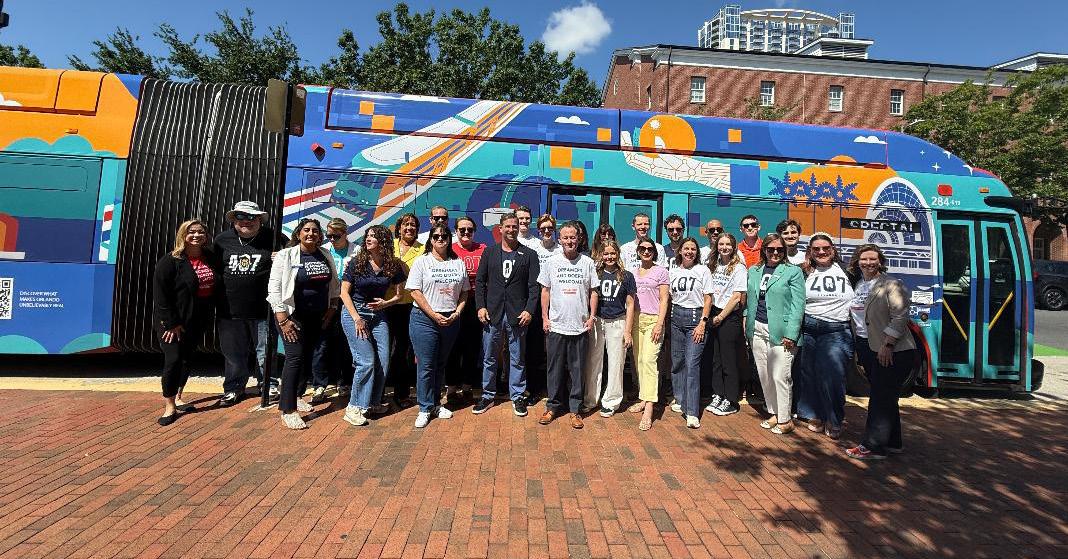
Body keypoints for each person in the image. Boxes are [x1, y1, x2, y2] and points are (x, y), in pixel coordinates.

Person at [845, 244, 918, 460]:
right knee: (885, 395)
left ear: (880, 262)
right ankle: (893, 442)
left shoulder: (891, 284)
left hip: (890, 349)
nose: (868, 263)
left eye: (872, 259)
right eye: (864, 259)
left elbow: (900, 316)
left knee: (879, 398)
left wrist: (888, 345)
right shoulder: (860, 284)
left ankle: (873, 446)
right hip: (867, 346)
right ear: (857, 262)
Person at [267, 218, 340, 430]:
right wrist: (283, 319)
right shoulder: (286, 255)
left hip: (317, 316)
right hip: (292, 317)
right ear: (298, 233)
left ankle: (297, 396)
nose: (311, 234)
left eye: (315, 231)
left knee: (307, 357)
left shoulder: (324, 254)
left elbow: (333, 283)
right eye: (306, 230)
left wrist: (332, 307)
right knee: (294, 358)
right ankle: (287, 409)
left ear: (320, 235)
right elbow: (274, 288)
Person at [213, 201, 285, 407]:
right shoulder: (222, 240)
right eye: (241, 217)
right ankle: (234, 388)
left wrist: (282, 257)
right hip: (229, 310)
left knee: (265, 352)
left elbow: (294, 253)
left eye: (252, 217)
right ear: (233, 219)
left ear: (260, 219)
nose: (246, 221)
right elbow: (213, 270)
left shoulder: (274, 238)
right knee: (233, 354)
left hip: (263, 310)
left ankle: (268, 385)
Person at [473, 213, 540, 416]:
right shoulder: (489, 252)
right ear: (500, 228)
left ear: (518, 228)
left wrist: (529, 310)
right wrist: (480, 306)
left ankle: (517, 396)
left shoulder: (529, 254)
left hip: (517, 314)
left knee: (517, 357)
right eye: (507, 226)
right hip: (492, 313)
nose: (511, 230)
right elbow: (480, 282)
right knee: (489, 357)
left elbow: (534, 287)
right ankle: (487, 395)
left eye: (514, 226)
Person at [338, 225, 406, 427]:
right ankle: (354, 407)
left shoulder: (392, 265)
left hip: (378, 315)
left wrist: (386, 303)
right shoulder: (357, 262)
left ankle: (372, 402)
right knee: (366, 361)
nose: (368, 239)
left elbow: (399, 295)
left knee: (383, 360)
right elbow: (343, 293)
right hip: (354, 312)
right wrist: (357, 318)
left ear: (383, 241)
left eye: (373, 236)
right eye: (367, 236)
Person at [152, 219, 218, 426]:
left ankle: (179, 397)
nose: (196, 235)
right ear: (183, 235)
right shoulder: (170, 261)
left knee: (187, 359)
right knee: (173, 360)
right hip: (173, 322)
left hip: (197, 319)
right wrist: (171, 323)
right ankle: (169, 406)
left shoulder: (210, 258)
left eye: (201, 232)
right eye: (192, 232)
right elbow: (161, 295)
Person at [406, 225, 470, 428]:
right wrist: (433, 315)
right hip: (425, 319)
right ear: (431, 240)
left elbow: (465, 291)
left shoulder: (457, 262)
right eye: (436, 236)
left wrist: (457, 313)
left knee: (440, 363)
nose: (440, 239)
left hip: (450, 319)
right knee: (426, 365)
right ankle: (424, 408)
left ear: (449, 239)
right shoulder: (422, 261)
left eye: (444, 236)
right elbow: (414, 291)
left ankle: (435, 404)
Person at [538, 221, 598, 429]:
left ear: (579, 239)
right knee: (554, 369)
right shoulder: (552, 262)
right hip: (556, 325)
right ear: (560, 239)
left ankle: (574, 409)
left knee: (577, 370)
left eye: (573, 237)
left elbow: (593, 291)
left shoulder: (587, 262)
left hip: (579, 327)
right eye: (565, 237)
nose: (569, 241)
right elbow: (545, 291)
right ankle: (552, 406)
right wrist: (545, 318)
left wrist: (591, 317)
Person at [745, 233, 804, 435]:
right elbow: (750, 299)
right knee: (765, 375)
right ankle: (774, 413)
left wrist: (792, 333)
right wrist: (746, 319)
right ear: (764, 250)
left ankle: (785, 419)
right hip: (757, 328)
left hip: (782, 331)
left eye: (780, 249)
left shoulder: (793, 272)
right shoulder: (754, 271)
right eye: (771, 249)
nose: (775, 253)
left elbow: (798, 305)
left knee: (780, 375)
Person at [797, 233, 854, 439]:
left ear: (833, 249)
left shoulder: (848, 270)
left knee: (833, 375)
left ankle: (834, 418)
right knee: (810, 374)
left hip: (837, 330)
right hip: (809, 328)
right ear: (810, 252)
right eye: (816, 249)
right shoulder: (804, 271)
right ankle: (815, 414)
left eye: (825, 248)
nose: (821, 252)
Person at [582, 240, 635, 417]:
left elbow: (630, 304)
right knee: (593, 362)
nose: (609, 257)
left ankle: (611, 401)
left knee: (616, 363)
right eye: (606, 254)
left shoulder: (626, 276)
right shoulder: (596, 273)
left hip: (617, 322)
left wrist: (628, 331)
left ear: (618, 254)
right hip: (598, 321)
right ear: (600, 255)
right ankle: (590, 399)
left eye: (613, 253)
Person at [668, 237, 714, 429]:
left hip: (696, 318)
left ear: (697, 252)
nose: (689, 252)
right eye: (686, 248)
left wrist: (703, 322)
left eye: (693, 249)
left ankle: (692, 411)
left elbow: (708, 298)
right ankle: (680, 399)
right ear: (680, 251)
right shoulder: (673, 271)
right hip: (676, 317)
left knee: (692, 364)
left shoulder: (703, 270)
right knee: (677, 361)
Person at [311, 218, 357, 403]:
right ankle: (319, 384)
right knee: (321, 345)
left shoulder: (357, 251)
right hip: (326, 302)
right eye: (328, 235)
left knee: (345, 346)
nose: (331, 239)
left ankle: (343, 382)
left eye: (335, 236)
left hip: (347, 302)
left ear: (345, 233)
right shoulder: (323, 250)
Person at [704, 233, 747, 417]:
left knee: (729, 360)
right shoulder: (713, 265)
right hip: (713, 313)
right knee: (716, 359)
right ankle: (718, 394)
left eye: (728, 244)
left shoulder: (739, 267)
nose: (724, 247)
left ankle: (731, 400)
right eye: (721, 244)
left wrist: (720, 317)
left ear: (733, 246)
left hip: (728, 317)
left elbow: (737, 297)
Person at [630, 240, 670, 431]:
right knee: (639, 361)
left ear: (654, 252)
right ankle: (643, 398)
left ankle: (649, 408)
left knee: (649, 361)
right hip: (636, 320)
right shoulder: (632, 273)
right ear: (638, 251)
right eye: (642, 249)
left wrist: (660, 324)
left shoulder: (661, 272)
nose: (646, 251)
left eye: (650, 249)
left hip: (653, 320)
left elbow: (664, 299)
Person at [445, 216, 485, 403]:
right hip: (452, 304)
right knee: (453, 347)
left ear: (474, 231)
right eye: (462, 230)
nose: (466, 232)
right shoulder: (449, 249)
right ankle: (451, 387)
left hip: (475, 303)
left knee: (472, 347)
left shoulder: (483, 249)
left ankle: (468, 386)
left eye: (470, 229)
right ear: (456, 231)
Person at [387, 213, 422, 407]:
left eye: (413, 225)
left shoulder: (422, 249)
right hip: (385, 304)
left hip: (409, 305)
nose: (409, 228)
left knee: (403, 351)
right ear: (399, 228)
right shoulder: (388, 245)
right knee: (383, 349)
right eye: (406, 224)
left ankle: (402, 393)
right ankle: (378, 392)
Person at [527, 214, 561, 402]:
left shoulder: (560, 250)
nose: (547, 231)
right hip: (535, 302)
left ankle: (553, 388)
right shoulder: (533, 249)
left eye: (550, 228)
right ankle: (533, 389)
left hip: (555, 303)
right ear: (538, 230)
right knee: (534, 349)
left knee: (553, 350)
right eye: (543, 228)